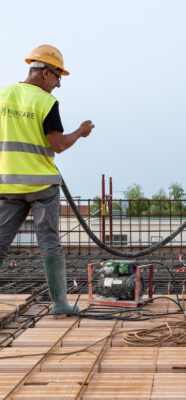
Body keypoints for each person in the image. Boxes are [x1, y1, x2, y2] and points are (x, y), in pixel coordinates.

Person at [0, 45, 94, 316]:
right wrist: (80, 132)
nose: (59, 84)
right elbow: (59, 144)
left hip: (7, 184)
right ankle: (60, 304)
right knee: (49, 242)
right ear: (44, 73)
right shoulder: (45, 102)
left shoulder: (3, 95)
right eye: (57, 77)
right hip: (42, 186)